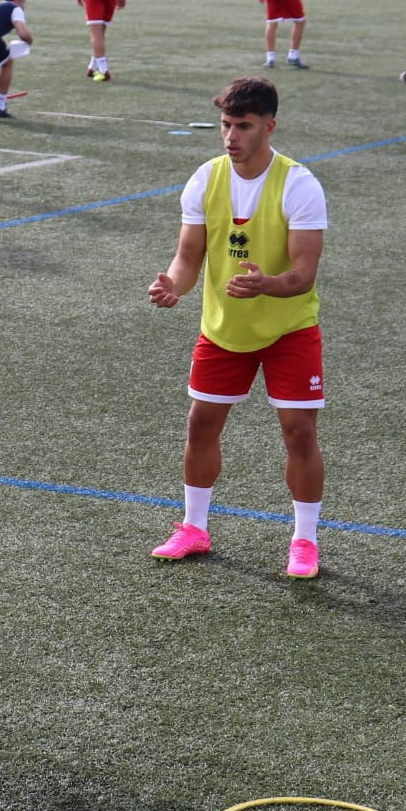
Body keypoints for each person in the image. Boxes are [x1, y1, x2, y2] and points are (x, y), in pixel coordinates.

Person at [147, 76, 328, 578]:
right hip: (223, 328)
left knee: (298, 432)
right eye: (226, 125)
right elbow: (188, 257)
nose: (231, 136)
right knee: (200, 423)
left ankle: (305, 540)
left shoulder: (299, 185)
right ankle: (194, 527)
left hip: (289, 327)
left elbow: (303, 274)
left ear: (268, 126)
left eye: (243, 126)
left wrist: (267, 284)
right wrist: (174, 287)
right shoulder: (205, 179)